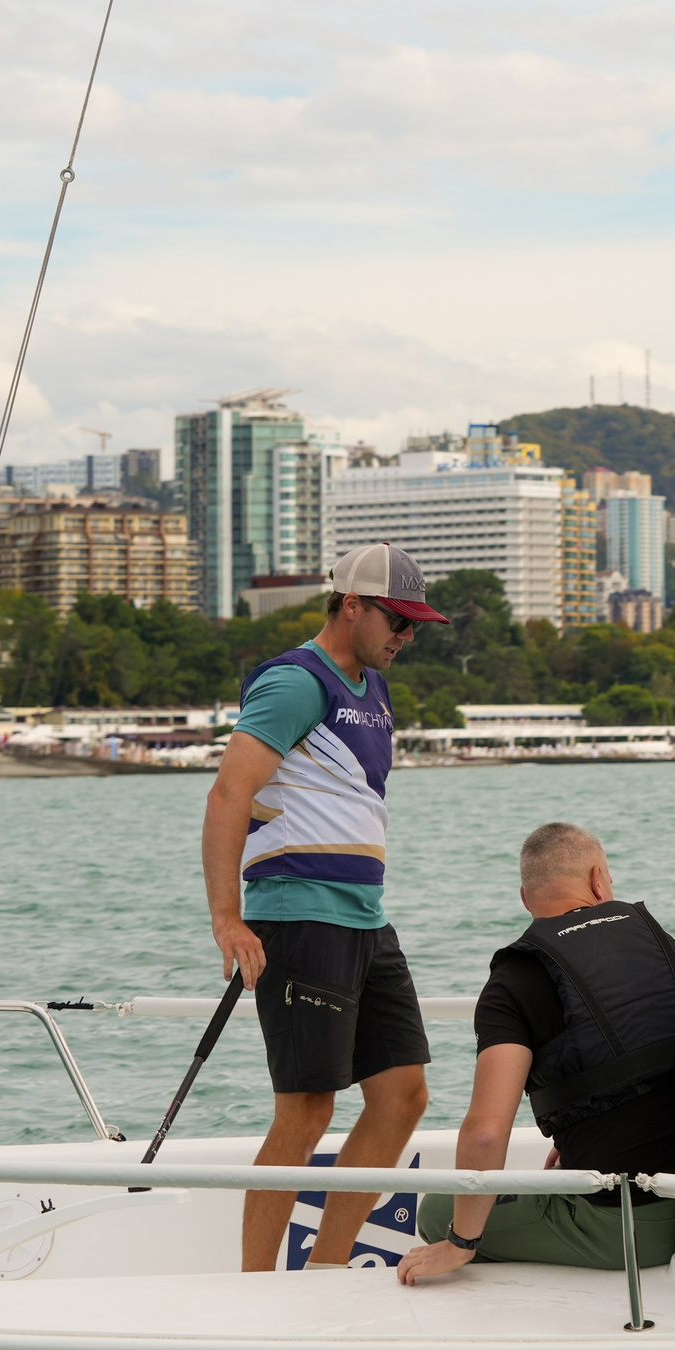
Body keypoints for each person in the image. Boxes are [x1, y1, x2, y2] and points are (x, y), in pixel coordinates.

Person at [201, 544, 449, 1272]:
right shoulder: (294, 681)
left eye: (416, 626)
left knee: (404, 1098)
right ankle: (254, 1286)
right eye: (397, 621)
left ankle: (327, 1270)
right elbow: (227, 794)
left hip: (366, 920)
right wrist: (227, 917)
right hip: (301, 918)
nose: (405, 637)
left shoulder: (373, 688)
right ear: (351, 604)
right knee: (306, 1112)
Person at [396, 823, 675, 1283]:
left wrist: (460, 1243)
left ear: (526, 898)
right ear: (599, 879)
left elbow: (486, 1133)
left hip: (631, 1223)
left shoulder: (514, 980)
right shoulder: (661, 941)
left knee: (441, 1210)